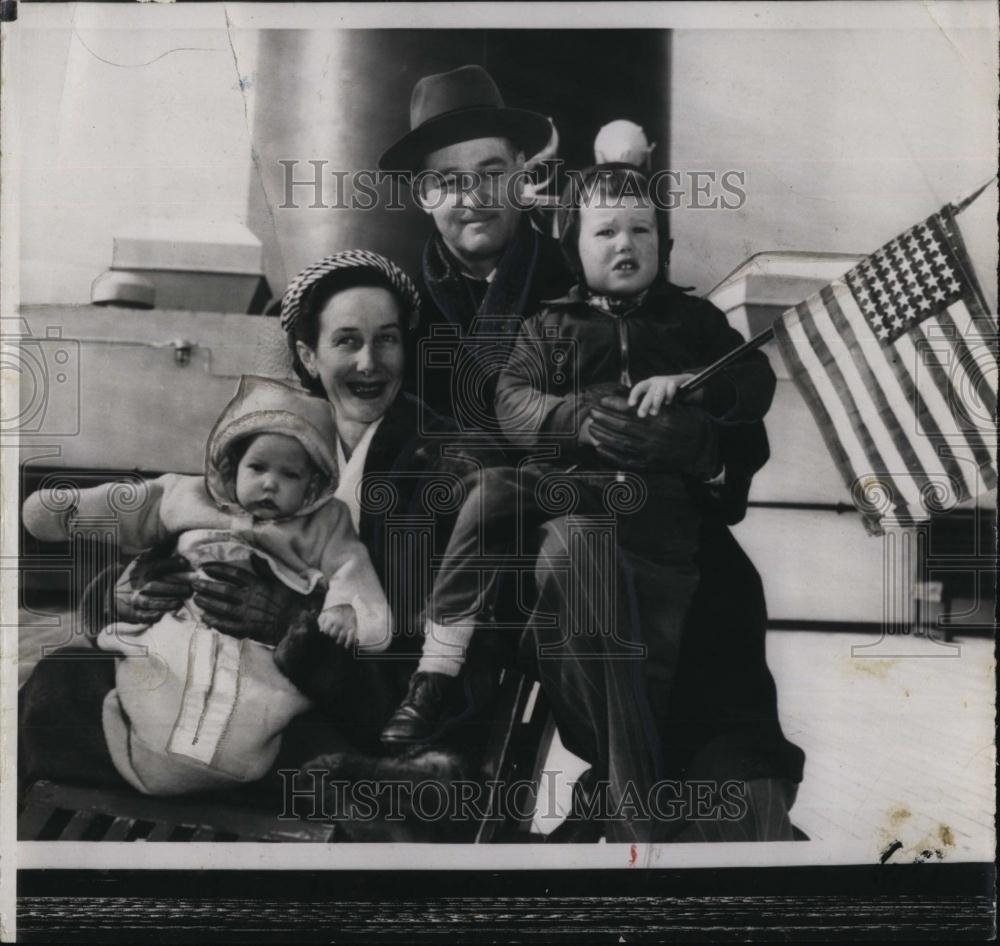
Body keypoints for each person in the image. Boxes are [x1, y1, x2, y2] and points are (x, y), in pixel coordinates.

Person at [492, 163, 802, 841]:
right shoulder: (551, 325)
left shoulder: (692, 320)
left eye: (643, 230)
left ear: (664, 244)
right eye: (605, 230)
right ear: (575, 244)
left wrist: (697, 425)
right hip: (581, 526)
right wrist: (576, 419)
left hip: (679, 537)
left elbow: (749, 385)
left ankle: (689, 812)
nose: (625, 243)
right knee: (580, 565)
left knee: (708, 659)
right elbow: (511, 404)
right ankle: (637, 810)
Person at [21, 376, 390, 795]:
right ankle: (147, 756)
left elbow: (350, 569)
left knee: (253, 709)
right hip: (179, 629)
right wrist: (71, 514)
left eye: (290, 474)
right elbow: (135, 505)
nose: (270, 483)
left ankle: (213, 769)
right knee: (82, 682)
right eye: (258, 468)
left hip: (263, 656)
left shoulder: (324, 522)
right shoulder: (190, 496)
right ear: (232, 465)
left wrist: (340, 612)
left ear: (313, 484)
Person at [377, 64, 573, 424]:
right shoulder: (399, 312)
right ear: (423, 194)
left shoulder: (578, 282)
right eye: (450, 182)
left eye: (492, 174)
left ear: (521, 172)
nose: (475, 198)